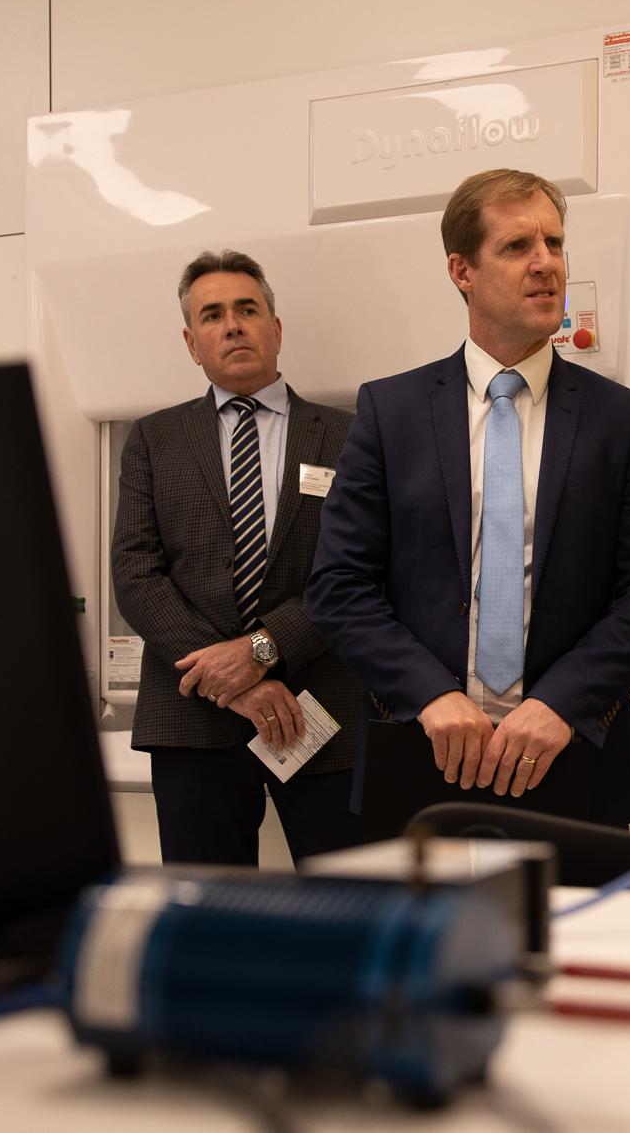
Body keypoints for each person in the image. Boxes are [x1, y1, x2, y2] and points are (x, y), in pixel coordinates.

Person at [307, 168, 630, 826]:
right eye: (517, 247)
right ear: (462, 270)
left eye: (555, 244)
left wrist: (560, 704)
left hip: (572, 758)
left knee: (573, 935)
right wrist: (430, 695)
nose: (546, 264)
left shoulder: (620, 420)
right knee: (430, 935)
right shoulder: (390, 412)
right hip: (422, 755)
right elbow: (339, 587)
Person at [112, 250, 365, 864]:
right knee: (206, 914)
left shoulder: (351, 433)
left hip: (320, 709)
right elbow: (136, 572)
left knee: (351, 908)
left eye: (247, 309)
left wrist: (261, 652)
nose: (232, 325)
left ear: (275, 329)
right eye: (212, 314)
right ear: (191, 342)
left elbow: (362, 571)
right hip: (192, 714)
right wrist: (233, 683)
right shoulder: (154, 439)